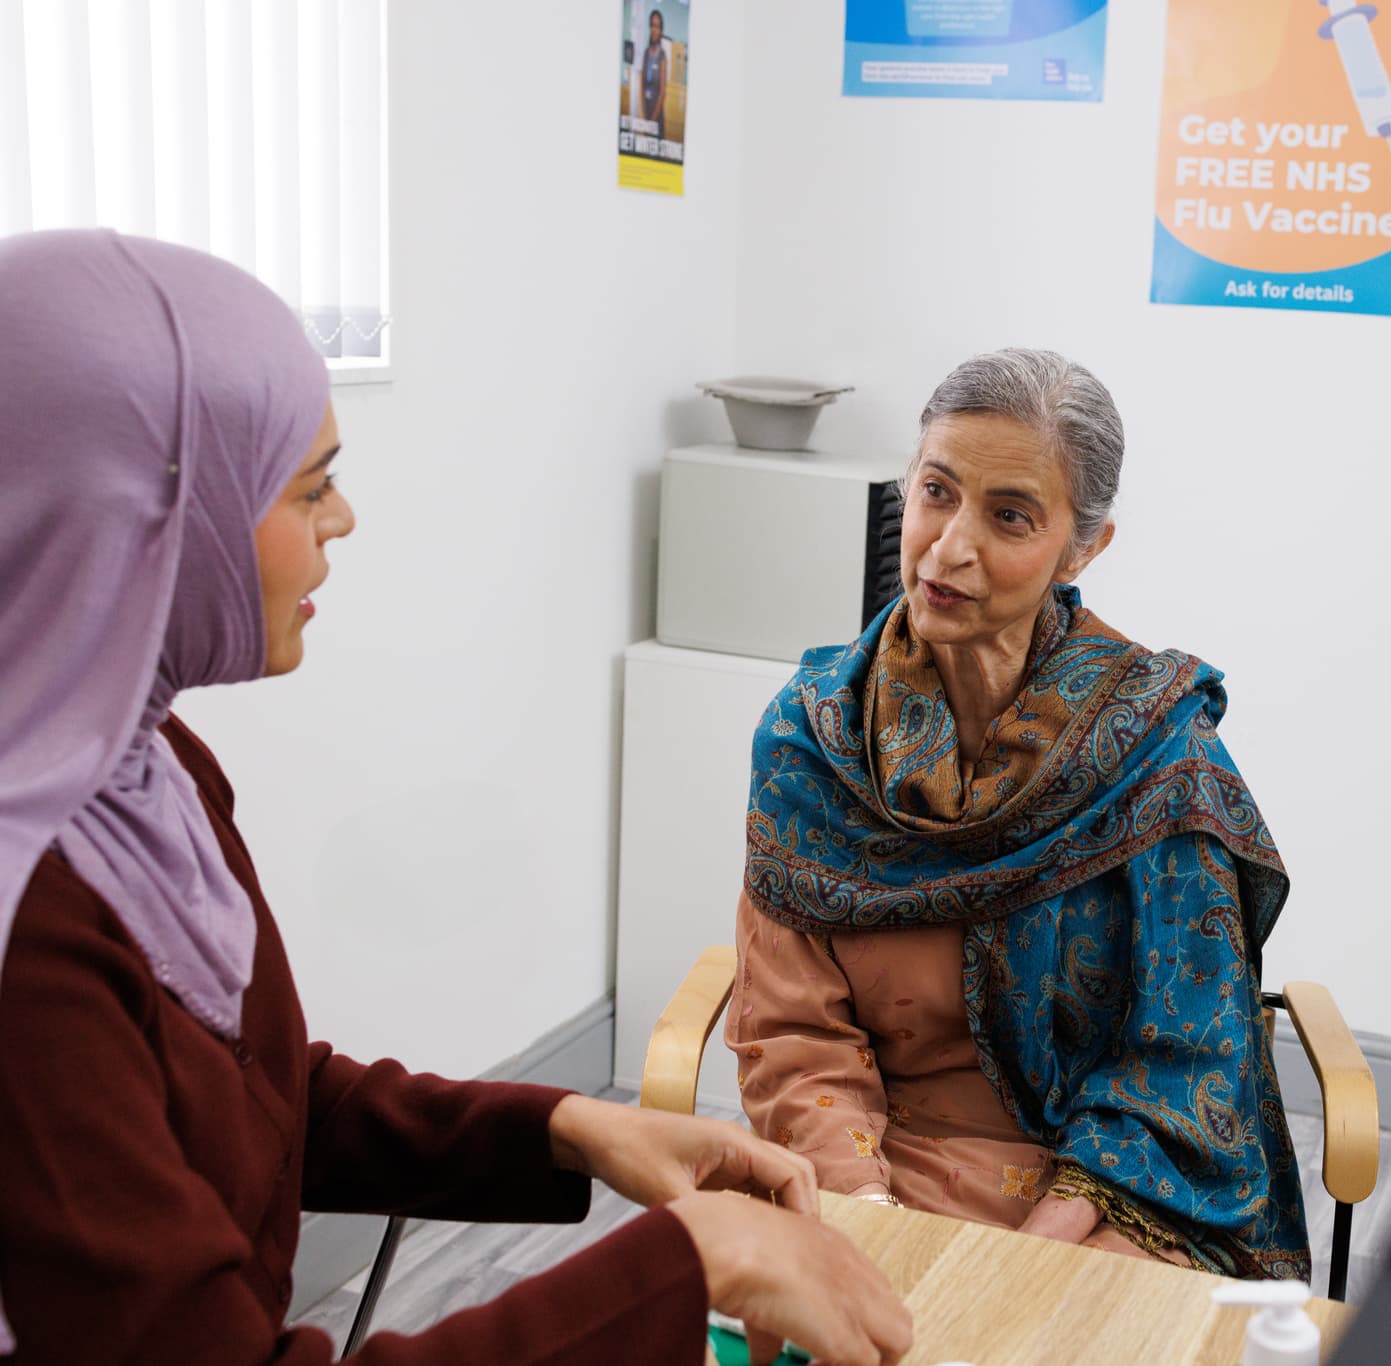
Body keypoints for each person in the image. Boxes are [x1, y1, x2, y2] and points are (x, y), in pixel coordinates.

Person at [0, 229, 911, 1366]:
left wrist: (570, 1124)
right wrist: (691, 1264)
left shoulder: (145, 769)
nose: (344, 520)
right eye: (311, 484)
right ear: (135, 516)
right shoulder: (28, 931)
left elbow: (269, 1101)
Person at [724, 348, 1308, 1279]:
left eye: (1009, 517)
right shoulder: (813, 739)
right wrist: (868, 1217)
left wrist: (1029, 1269)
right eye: (935, 493)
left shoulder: (1160, 759)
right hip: (869, 1167)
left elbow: (1184, 1062)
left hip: (1110, 1197)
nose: (950, 548)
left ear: (1084, 547)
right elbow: (799, 1038)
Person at [641, 7, 669, 139]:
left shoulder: (662, 57)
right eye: (652, 25)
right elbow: (642, 86)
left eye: (657, 26)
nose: (654, 29)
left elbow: (663, 92)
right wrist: (644, 118)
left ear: (661, 30)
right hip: (646, 114)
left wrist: (651, 122)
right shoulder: (646, 54)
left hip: (657, 117)